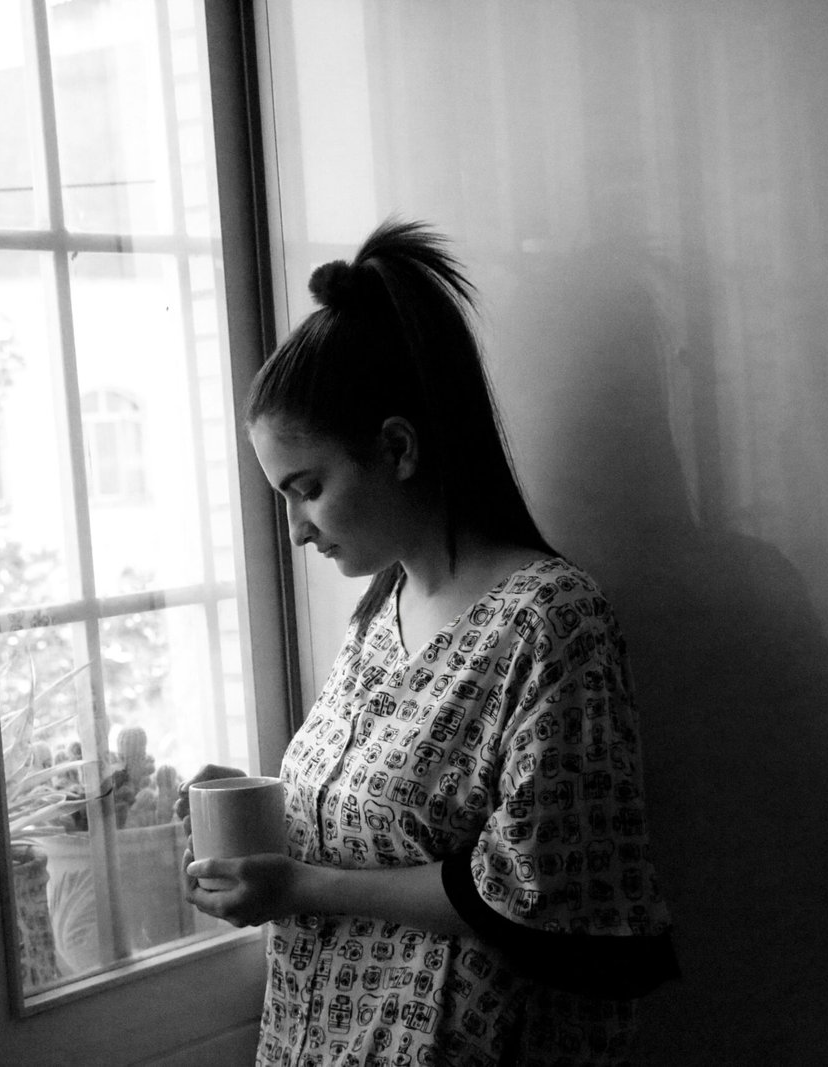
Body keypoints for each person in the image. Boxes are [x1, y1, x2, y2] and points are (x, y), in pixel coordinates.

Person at [178, 219, 678, 1067]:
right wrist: (265, 811)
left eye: (309, 489)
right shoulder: (383, 610)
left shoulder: (549, 623)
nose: (297, 529)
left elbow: (530, 891)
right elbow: (382, 816)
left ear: (398, 447)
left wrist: (296, 885)